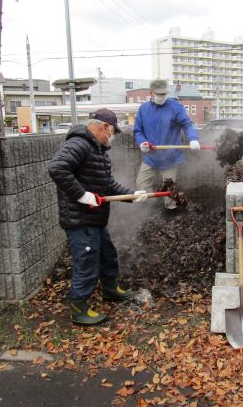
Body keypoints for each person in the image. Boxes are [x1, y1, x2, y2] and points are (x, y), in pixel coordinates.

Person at [49, 108, 148, 326]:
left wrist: (131, 195)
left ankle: (110, 289)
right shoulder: (80, 144)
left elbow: (107, 185)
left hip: (94, 219)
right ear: (104, 127)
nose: (113, 137)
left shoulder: (98, 151)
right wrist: (82, 195)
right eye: (113, 131)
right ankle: (78, 307)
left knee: (107, 254)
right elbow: (57, 168)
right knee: (87, 261)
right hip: (80, 219)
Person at [133, 79, 200, 211]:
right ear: (151, 93)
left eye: (164, 94)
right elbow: (138, 130)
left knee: (170, 191)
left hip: (170, 157)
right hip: (150, 157)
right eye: (159, 94)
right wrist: (142, 142)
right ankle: (148, 211)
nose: (162, 97)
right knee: (141, 184)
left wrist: (193, 138)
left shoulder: (175, 107)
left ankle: (171, 212)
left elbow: (187, 124)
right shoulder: (144, 109)